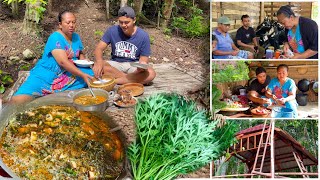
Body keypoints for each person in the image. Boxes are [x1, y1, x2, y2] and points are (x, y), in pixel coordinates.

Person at [11, 10, 94, 104]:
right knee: (19, 100)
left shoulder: (75, 37)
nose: (71, 25)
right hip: (46, 75)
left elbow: (79, 52)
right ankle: (4, 105)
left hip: (65, 74)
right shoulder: (55, 38)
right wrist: (82, 75)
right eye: (68, 22)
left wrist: (83, 60)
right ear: (60, 24)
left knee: (93, 74)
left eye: (73, 22)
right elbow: (63, 62)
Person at [93, 6, 156, 85]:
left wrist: (140, 68)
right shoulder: (112, 31)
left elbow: (143, 60)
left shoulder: (143, 36)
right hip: (115, 64)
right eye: (121, 22)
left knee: (151, 73)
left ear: (134, 20)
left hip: (133, 66)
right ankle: (129, 79)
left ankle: (113, 81)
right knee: (96, 66)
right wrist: (99, 62)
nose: (123, 25)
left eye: (127, 22)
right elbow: (99, 48)